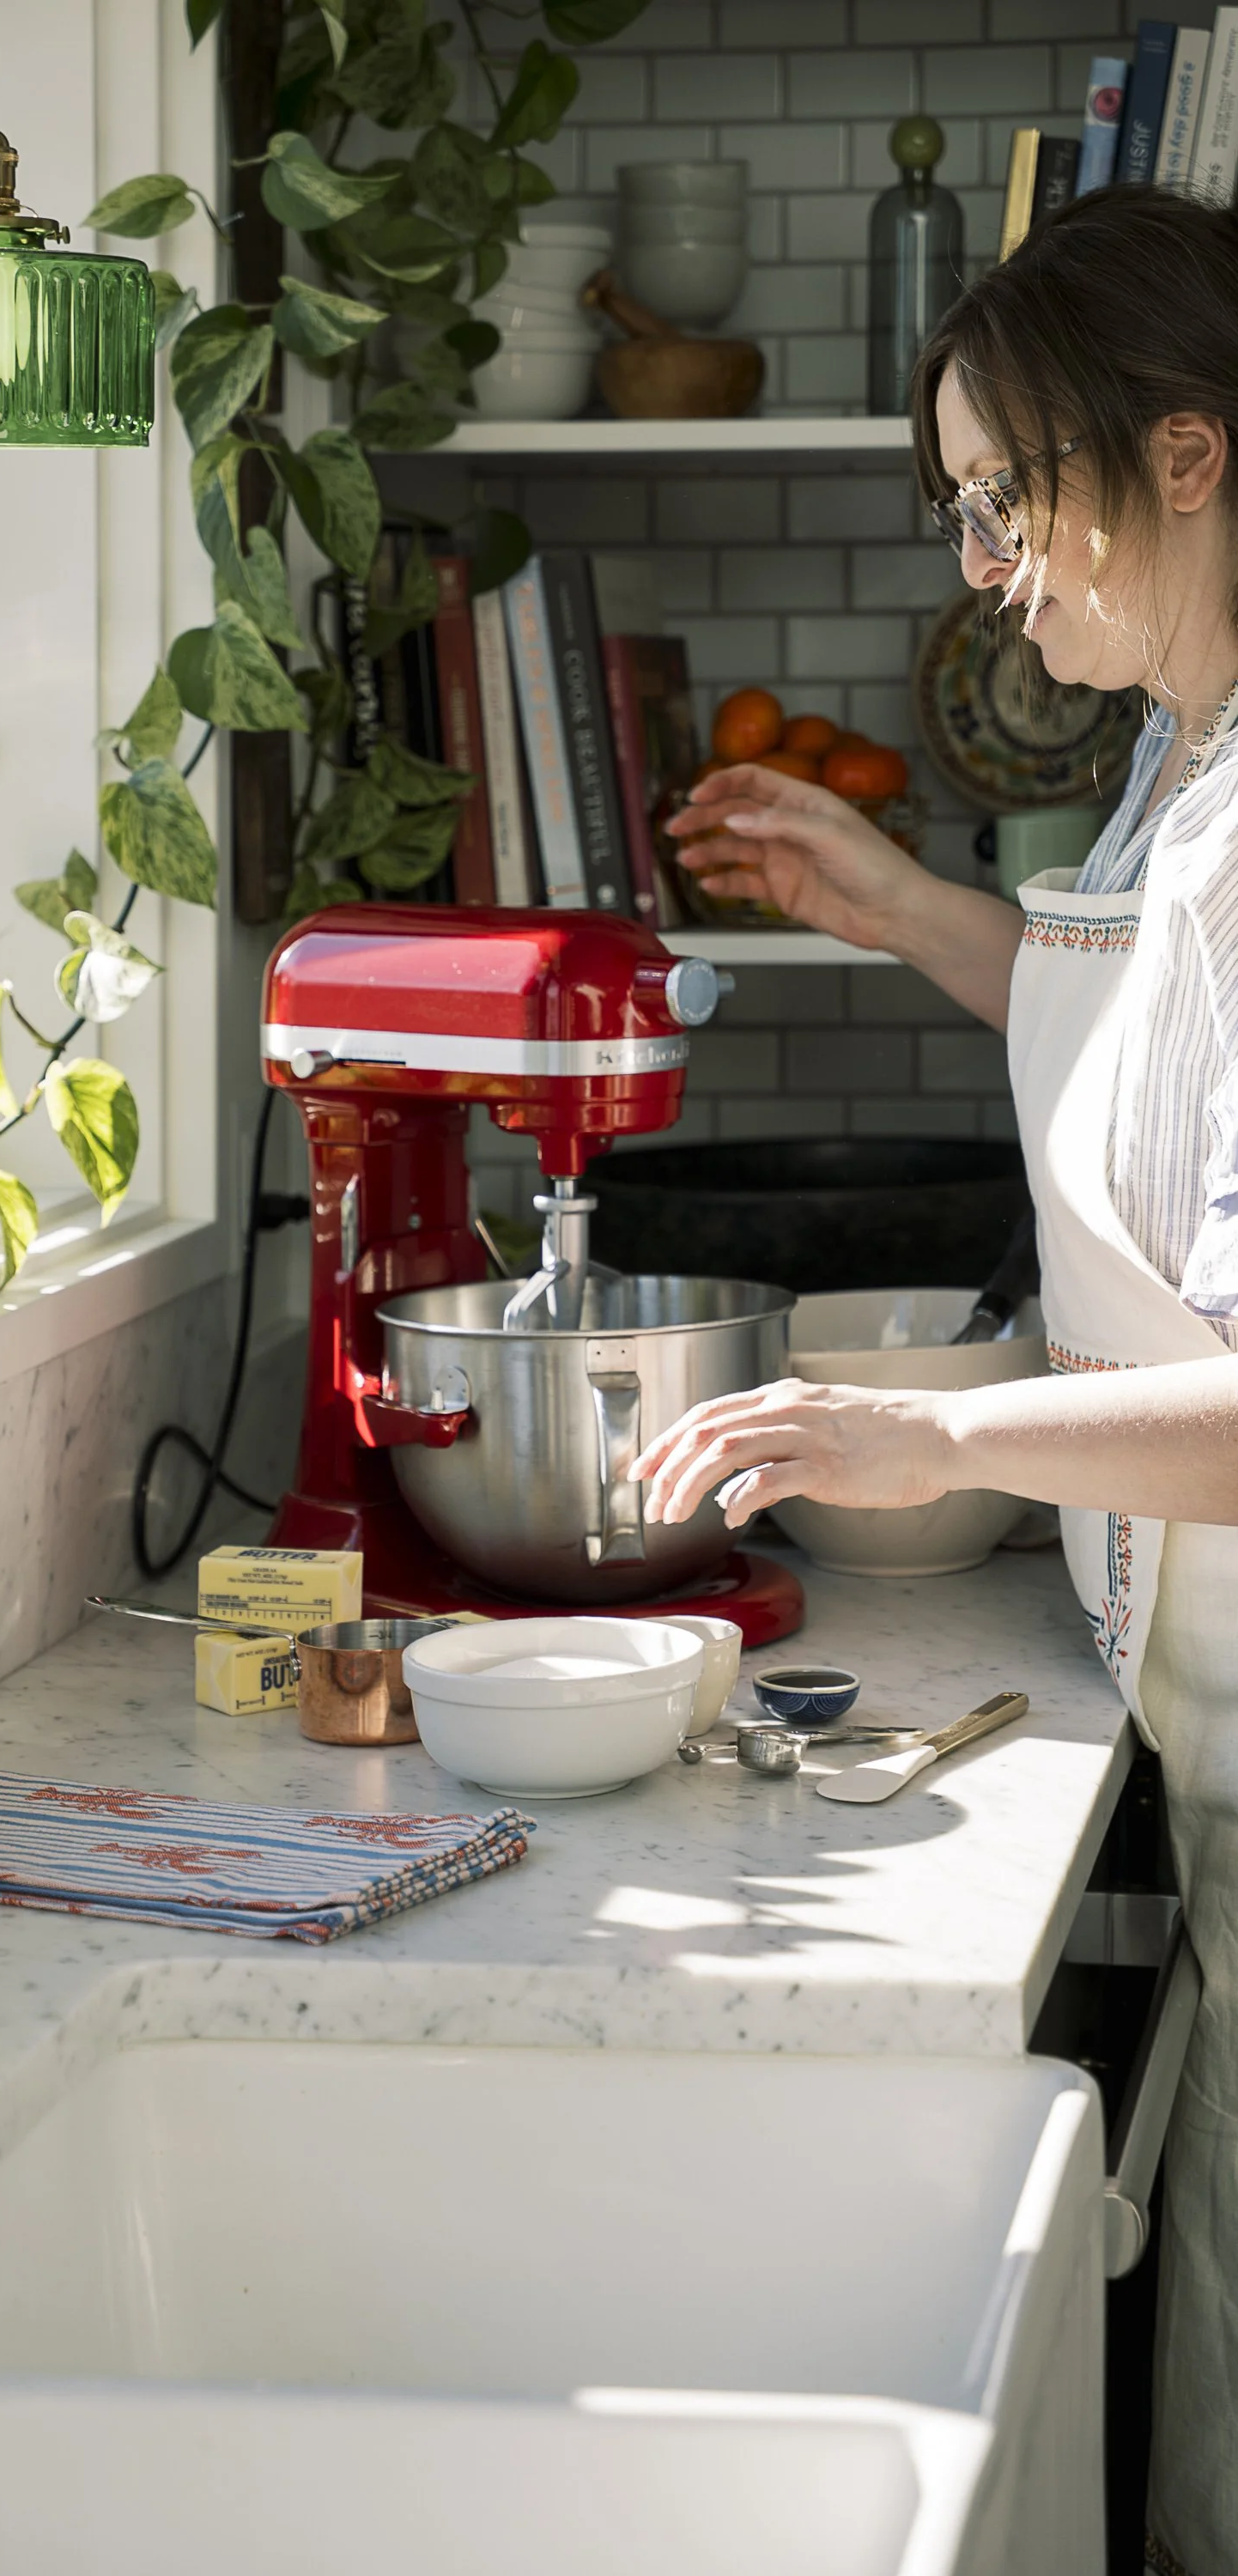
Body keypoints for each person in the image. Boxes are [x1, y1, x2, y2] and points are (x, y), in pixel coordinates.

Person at [635, 186, 1238, 2576]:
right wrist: (893, 905)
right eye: (968, 508)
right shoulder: (1185, 759)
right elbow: (1146, 1067)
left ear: (1184, 454)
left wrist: (934, 1436)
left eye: (1016, 498)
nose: (989, 565)